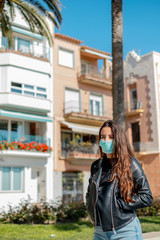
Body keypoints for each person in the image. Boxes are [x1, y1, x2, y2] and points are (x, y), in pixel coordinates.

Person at [86, 120, 153, 240]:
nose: (106, 140)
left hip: (125, 230)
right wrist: (91, 209)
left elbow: (146, 196)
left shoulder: (131, 163)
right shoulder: (96, 166)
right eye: (103, 137)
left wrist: (119, 204)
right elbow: (90, 192)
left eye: (111, 137)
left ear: (118, 139)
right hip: (99, 231)